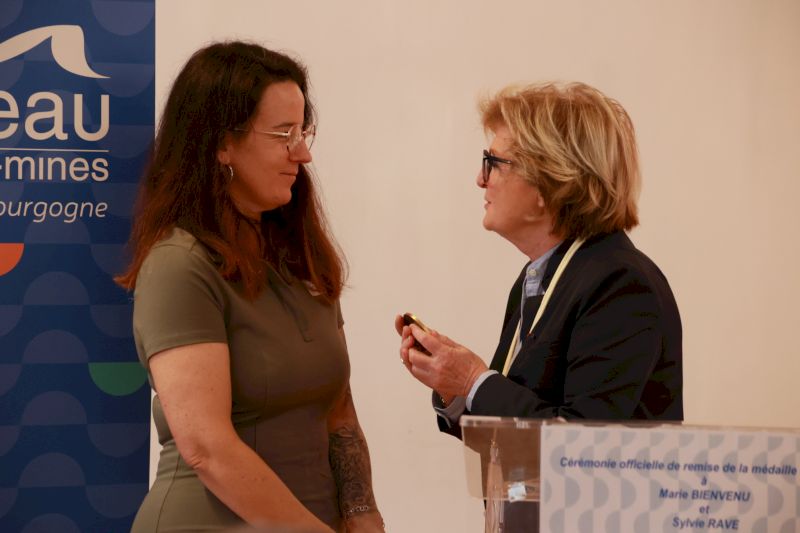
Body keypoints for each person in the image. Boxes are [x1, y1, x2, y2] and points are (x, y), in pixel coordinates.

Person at [116, 41, 383, 533]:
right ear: (222, 144)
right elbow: (207, 449)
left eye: (303, 132)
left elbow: (339, 409)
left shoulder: (300, 258)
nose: (302, 153)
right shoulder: (179, 266)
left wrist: (362, 514)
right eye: (283, 134)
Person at [395, 82, 682, 530]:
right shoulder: (541, 276)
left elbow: (582, 451)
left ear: (550, 182)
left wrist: (473, 380)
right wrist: (454, 390)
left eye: (493, 162)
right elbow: (525, 424)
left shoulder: (620, 283)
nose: (480, 179)